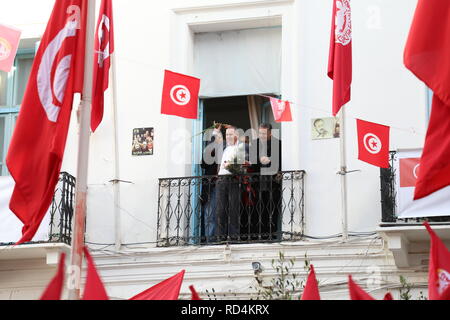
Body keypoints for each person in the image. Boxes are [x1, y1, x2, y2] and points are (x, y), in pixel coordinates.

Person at [250, 123, 282, 241]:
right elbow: (252, 163)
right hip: (259, 182)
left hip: (273, 182)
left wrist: (270, 160)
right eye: (260, 133)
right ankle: (259, 234)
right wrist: (259, 160)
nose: (261, 135)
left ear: (270, 133)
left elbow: (281, 161)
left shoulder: (278, 143)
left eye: (264, 133)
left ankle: (271, 234)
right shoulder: (255, 143)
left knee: (273, 209)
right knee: (258, 210)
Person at [215, 125, 242, 241]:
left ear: (236, 135)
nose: (228, 136)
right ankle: (220, 237)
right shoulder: (225, 148)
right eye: (227, 134)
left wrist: (230, 166)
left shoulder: (240, 148)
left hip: (233, 180)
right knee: (220, 210)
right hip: (221, 181)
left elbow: (242, 167)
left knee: (233, 210)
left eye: (231, 134)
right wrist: (216, 132)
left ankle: (234, 237)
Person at [200, 126, 225, 242]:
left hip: (224, 185)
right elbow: (203, 164)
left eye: (219, 136)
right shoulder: (210, 151)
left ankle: (220, 238)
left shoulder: (226, 149)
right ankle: (210, 240)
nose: (217, 139)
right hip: (211, 186)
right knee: (209, 214)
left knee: (221, 214)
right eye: (214, 137)